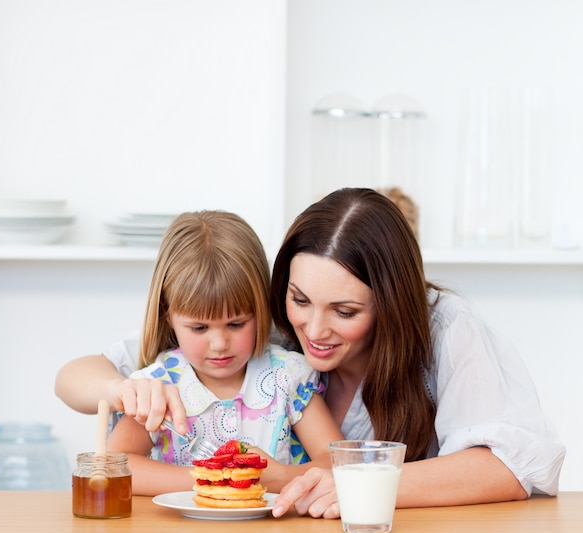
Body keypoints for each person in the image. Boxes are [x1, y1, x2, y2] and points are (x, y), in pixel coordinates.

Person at [55, 189, 565, 516]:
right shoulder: (258, 327)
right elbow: (85, 379)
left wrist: (357, 486)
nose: (313, 330)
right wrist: (119, 390)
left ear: (391, 304)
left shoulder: (445, 329)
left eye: (345, 312)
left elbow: (508, 467)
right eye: (299, 300)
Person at [102, 210, 343, 496]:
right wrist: (213, 479)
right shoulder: (158, 386)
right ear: (169, 316)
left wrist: (272, 478)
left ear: (261, 311)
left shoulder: (288, 377)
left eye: (236, 324)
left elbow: (337, 463)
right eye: (199, 327)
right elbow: (114, 465)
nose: (219, 344)